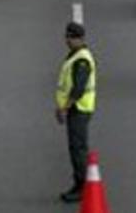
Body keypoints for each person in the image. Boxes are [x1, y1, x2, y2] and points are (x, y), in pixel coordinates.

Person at [54, 21, 96, 203]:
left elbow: (78, 89)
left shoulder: (81, 60)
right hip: (75, 109)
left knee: (78, 149)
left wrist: (64, 107)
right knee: (75, 148)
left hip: (79, 109)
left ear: (79, 38)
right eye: (67, 37)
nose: (67, 40)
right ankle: (79, 184)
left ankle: (82, 187)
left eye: (70, 37)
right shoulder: (75, 55)